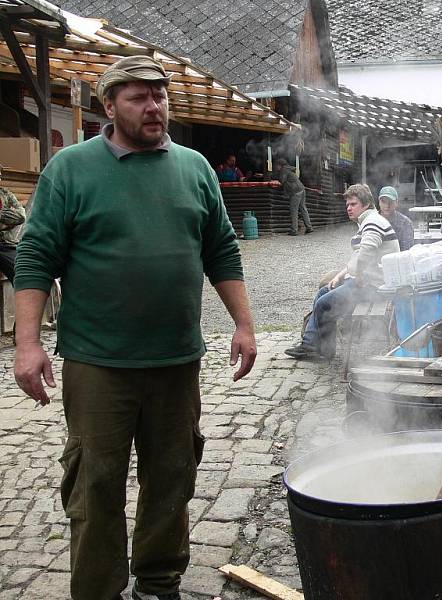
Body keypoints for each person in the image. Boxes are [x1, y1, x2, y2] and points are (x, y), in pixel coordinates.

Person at [13, 55, 258, 600]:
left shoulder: (194, 168)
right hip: (97, 360)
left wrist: (243, 323)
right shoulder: (71, 169)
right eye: (138, 97)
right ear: (109, 106)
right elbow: (34, 258)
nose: (154, 107)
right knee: (94, 482)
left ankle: (158, 580)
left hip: (176, 359)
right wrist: (26, 344)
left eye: (160, 95)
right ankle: (99, 588)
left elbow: (221, 249)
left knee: (172, 475)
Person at [285, 183, 399, 359]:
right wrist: (340, 276)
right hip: (368, 282)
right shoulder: (368, 222)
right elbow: (358, 256)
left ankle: (323, 350)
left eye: (353, 204)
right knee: (323, 291)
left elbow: (366, 253)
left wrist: (359, 275)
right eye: (347, 205)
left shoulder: (373, 222)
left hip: (375, 287)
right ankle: (311, 346)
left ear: (366, 204)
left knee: (324, 304)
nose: (349, 208)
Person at [273, 157, 312, 236]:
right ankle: (309, 227)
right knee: (303, 209)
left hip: (296, 191)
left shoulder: (284, 170)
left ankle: (294, 230)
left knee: (294, 210)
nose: (276, 167)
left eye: (277, 165)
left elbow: (282, 180)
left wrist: (273, 178)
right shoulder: (288, 169)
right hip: (301, 189)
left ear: (280, 165)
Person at [0, 165, 26, 284]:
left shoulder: (5, 194)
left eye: (0, 176)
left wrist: (1, 215)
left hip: (5, 243)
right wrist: (7, 221)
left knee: (22, 271)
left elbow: (21, 216)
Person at [378, 185, 414, 251]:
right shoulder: (371, 220)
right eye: (384, 201)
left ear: (396, 203)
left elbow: (406, 251)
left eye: (390, 202)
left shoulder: (405, 223)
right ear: (379, 202)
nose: (387, 205)